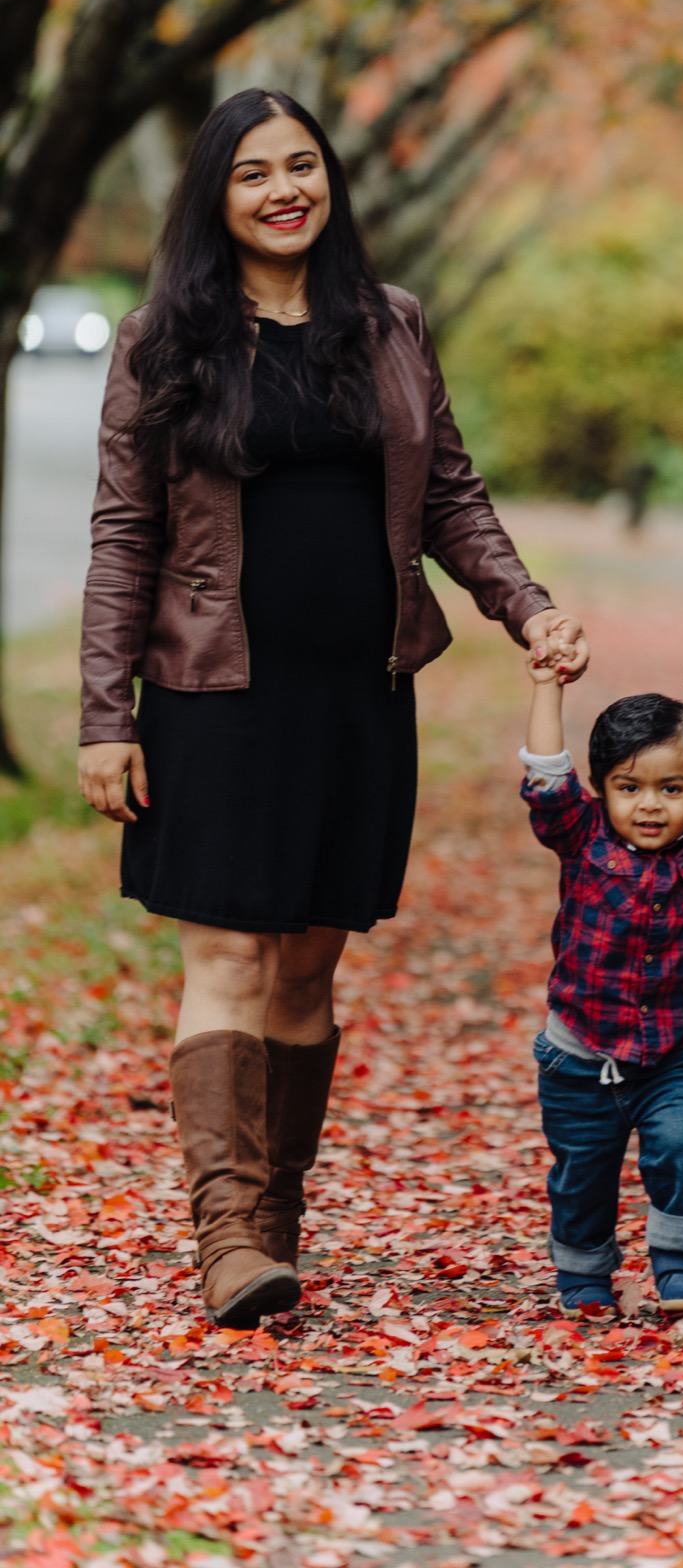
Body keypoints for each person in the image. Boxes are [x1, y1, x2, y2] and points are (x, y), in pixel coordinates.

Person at [77, 87, 588, 1330]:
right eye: (253, 172)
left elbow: (451, 492)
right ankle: (224, 1234)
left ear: (330, 178)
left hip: (359, 692)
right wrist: (104, 713)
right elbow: (125, 531)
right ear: (215, 196)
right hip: (213, 692)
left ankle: (274, 1219)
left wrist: (525, 605)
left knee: (306, 968)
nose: (283, 190)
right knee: (229, 955)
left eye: (300, 165)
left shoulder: (388, 321)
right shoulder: (164, 338)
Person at [521, 666, 683, 1315]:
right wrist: (548, 686)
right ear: (601, 788)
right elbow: (547, 774)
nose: (649, 805)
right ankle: (583, 1274)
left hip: (668, 1057)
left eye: (672, 788)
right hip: (576, 1059)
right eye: (629, 787)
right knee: (582, 1176)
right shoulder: (580, 832)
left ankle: (677, 1262)